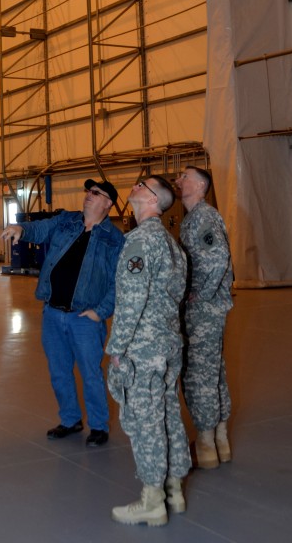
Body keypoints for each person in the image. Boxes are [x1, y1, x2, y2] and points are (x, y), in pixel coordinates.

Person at [1, 178, 124, 447]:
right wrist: (20, 227)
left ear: (108, 203)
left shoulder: (115, 240)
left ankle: (99, 425)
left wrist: (100, 312)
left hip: (85, 319)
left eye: (95, 193)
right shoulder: (67, 221)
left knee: (91, 374)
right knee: (59, 371)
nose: (88, 195)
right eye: (87, 191)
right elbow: (40, 228)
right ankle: (70, 420)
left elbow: (119, 283)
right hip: (53, 313)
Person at [106, 176, 190, 527]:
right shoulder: (172, 245)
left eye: (142, 184)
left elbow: (132, 301)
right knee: (169, 413)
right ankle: (175, 489)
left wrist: (117, 347)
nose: (135, 187)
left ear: (154, 199)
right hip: (169, 344)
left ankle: (152, 500)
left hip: (143, 348)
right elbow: (177, 295)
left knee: (146, 420)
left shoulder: (139, 242)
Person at [175, 165, 233, 470]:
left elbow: (219, 256)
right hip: (206, 308)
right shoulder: (193, 218)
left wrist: (202, 294)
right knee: (213, 371)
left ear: (200, 185)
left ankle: (207, 444)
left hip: (203, 311)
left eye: (184, 177)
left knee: (198, 374)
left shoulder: (203, 216)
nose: (178, 181)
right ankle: (219, 439)